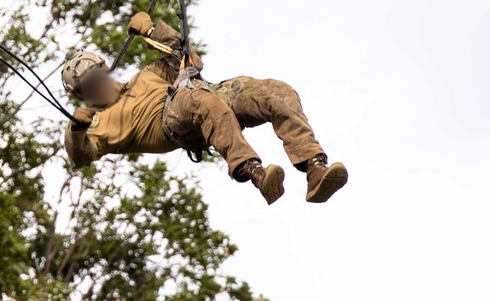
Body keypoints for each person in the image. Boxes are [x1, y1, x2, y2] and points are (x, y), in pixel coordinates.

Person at [61, 12, 348, 204]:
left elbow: (191, 62)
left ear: (106, 69)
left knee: (276, 92)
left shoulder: (146, 75)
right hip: (174, 119)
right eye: (88, 87)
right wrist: (76, 128)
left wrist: (152, 30)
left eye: (97, 77)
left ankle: (315, 168)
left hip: (203, 93)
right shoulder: (100, 125)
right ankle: (255, 173)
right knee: (201, 101)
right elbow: (80, 156)